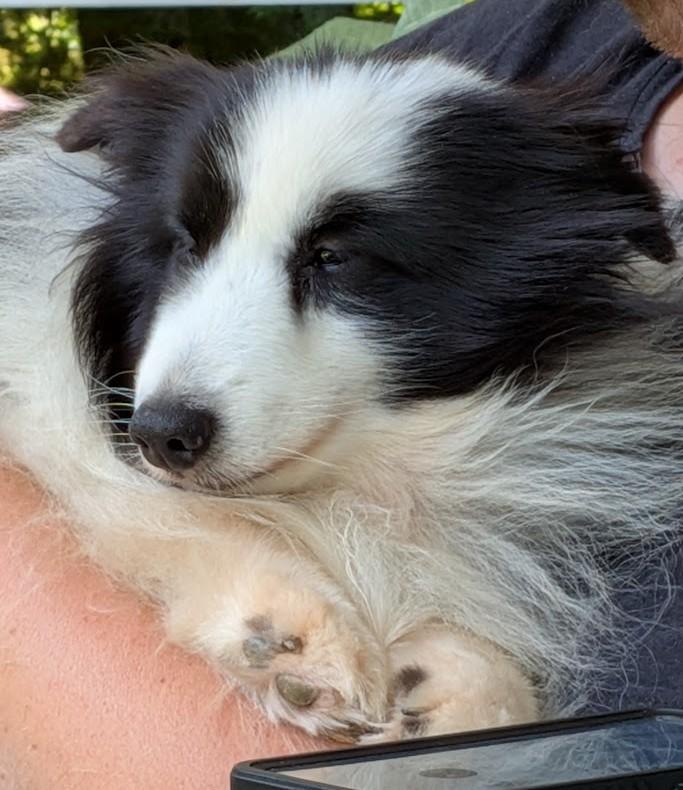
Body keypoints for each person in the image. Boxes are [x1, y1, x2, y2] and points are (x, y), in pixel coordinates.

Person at [1, 1, 681, 787]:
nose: (177, 383)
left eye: (334, 261)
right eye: (194, 245)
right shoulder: (531, 29)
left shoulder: (515, 163)